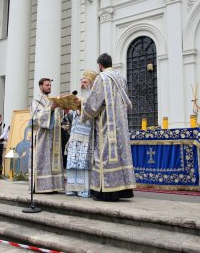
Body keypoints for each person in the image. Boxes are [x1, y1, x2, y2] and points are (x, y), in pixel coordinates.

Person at [79, 53, 136, 201]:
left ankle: (105, 191)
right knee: (120, 155)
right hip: (121, 124)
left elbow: (94, 102)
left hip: (106, 123)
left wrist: (84, 115)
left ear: (100, 65)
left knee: (104, 154)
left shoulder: (101, 78)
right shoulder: (120, 78)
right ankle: (122, 190)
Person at [65, 70, 97, 198]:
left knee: (83, 161)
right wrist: (69, 110)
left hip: (86, 134)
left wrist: (81, 104)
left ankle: (84, 189)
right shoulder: (80, 96)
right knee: (73, 160)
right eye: (82, 81)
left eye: (85, 82)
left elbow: (92, 109)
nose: (83, 84)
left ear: (90, 84)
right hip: (75, 133)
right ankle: (73, 188)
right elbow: (75, 115)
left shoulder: (93, 96)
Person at [30, 78, 64, 193]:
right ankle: (41, 186)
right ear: (40, 87)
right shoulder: (36, 100)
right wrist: (52, 108)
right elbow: (36, 117)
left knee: (52, 161)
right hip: (42, 137)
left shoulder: (52, 100)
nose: (49, 87)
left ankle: (53, 186)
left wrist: (62, 107)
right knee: (43, 160)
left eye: (50, 85)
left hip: (54, 137)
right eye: (46, 85)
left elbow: (58, 117)